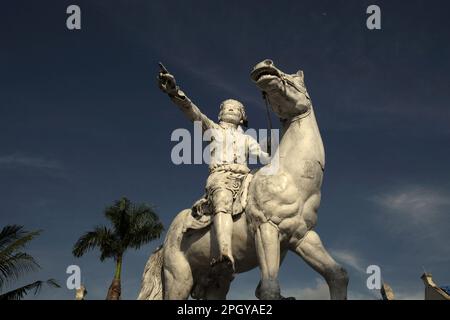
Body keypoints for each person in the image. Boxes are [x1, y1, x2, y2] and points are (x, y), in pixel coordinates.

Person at [158, 68, 269, 274]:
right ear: (220, 113)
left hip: (245, 177)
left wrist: (270, 150)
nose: (231, 110)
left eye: (236, 109)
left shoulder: (247, 138)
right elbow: (194, 113)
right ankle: (224, 253)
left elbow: (262, 157)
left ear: (242, 116)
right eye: (227, 108)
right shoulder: (213, 130)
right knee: (223, 201)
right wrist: (175, 92)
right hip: (221, 177)